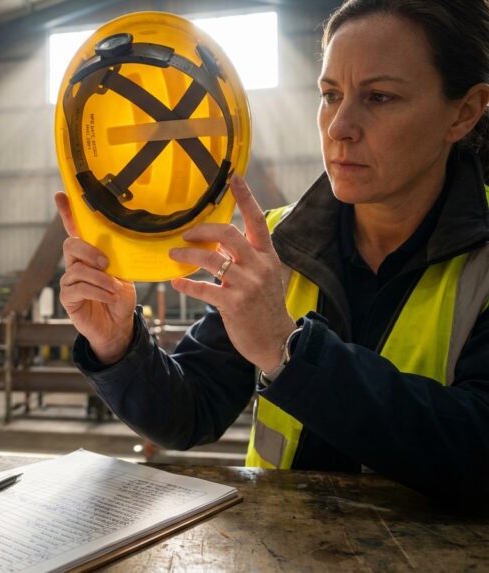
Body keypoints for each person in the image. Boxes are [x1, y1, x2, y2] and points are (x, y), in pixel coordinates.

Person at [57, 0, 489, 510]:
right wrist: (119, 345)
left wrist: (290, 353)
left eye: (379, 97)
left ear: (463, 112)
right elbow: (192, 411)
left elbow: (477, 451)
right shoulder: (281, 241)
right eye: (330, 95)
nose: (339, 126)